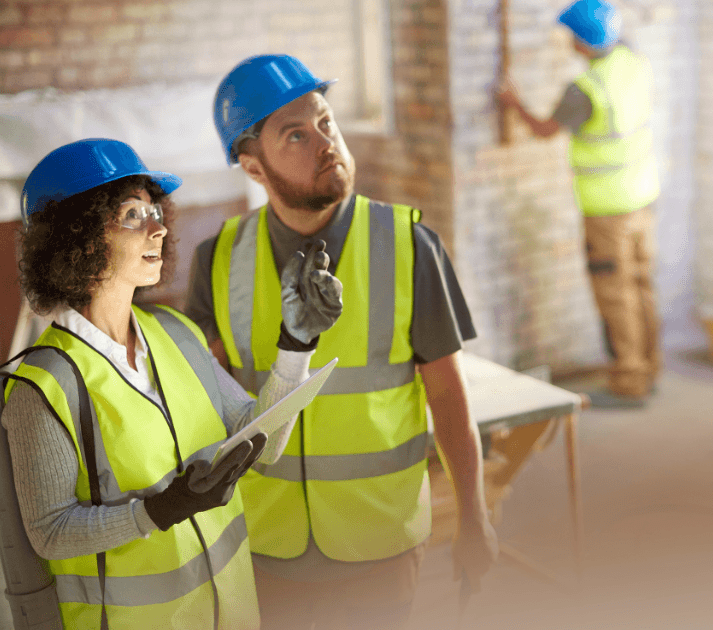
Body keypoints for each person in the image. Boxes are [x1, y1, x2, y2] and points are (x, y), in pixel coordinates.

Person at [185, 54, 498, 629]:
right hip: (264, 543)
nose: (325, 143)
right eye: (296, 136)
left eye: (326, 123)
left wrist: (474, 517)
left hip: (378, 543)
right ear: (253, 168)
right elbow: (210, 407)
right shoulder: (216, 261)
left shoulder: (409, 245)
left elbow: (449, 397)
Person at [1, 138, 342, 629]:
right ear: (76, 237)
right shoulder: (45, 386)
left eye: (155, 210)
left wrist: (296, 342)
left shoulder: (176, 334)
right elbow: (51, 533)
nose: (159, 227)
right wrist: (156, 512)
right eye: (133, 215)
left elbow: (261, 443)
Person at [496, 0, 662, 407]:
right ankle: (648, 365)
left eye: (572, 36)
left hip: (607, 209)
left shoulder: (584, 90)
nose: (568, 43)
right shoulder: (633, 62)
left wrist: (513, 102)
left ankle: (629, 379)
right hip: (642, 196)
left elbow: (545, 130)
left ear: (584, 43)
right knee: (640, 285)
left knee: (614, 293)